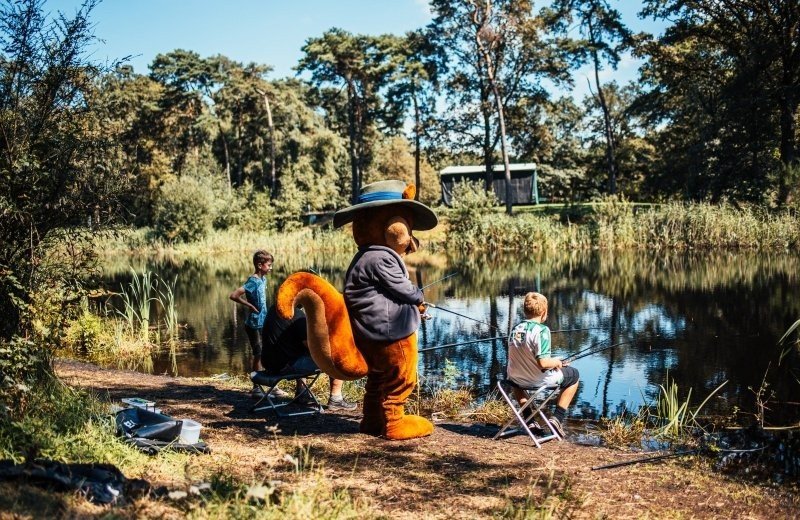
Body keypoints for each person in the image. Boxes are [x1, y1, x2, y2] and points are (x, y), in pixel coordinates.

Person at [506, 292, 580, 437]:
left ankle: (530, 421)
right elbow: (543, 363)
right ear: (544, 312)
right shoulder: (542, 331)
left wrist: (555, 363)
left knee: (518, 382)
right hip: (537, 379)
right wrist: (558, 362)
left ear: (525, 311)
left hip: (515, 378)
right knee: (574, 375)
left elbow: (525, 356)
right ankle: (556, 420)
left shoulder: (516, 329)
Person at [261, 304, 356, 411]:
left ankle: (302, 393)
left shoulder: (274, 309)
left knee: (299, 351)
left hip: (269, 365)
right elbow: (313, 348)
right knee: (337, 357)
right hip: (285, 367)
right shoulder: (297, 315)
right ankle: (336, 399)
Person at [229, 249, 273, 398]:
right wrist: (249, 305)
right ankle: (256, 387)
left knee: (268, 352)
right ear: (260, 265)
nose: (271, 268)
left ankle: (270, 385)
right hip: (253, 325)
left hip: (264, 322)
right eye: (269, 265)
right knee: (258, 353)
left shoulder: (263, 280)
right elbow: (234, 295)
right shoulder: (253, 281)